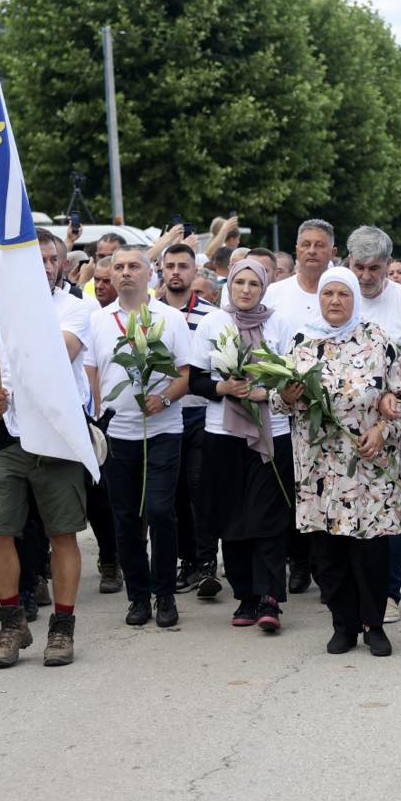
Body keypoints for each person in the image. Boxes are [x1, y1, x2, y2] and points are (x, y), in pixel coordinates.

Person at [0, 231, 96, 667]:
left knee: (62, 534)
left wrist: (9, 323)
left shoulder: (75, 308)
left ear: (61, 265)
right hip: (7, 438)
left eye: (50, 259)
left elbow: (59, 353)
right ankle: (12, 624)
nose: (43, 266)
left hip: (55, 437)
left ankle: (62, 628)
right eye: (33, 260)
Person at [270, 265, 401, 656]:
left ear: (354, 299)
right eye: (328, 294)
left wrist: (383, 431)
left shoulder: (377, 339)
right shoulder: (302, 343)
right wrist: (287, 396)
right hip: (320, 469)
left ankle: (374, 624)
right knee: (328, 553)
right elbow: (276, 401)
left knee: (369, 551)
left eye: (343, 295)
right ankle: (343, 624)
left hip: (368, 467)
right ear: (319, 298)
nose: (335, 301)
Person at [88, 246, 193, 630]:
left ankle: (165, 592)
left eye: (134, 266)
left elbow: (185, 373)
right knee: (126, 517)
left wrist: (163, 398)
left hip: (163, 429)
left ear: (151, 274)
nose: (126, 273)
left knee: (161, 510)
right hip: (118, 433)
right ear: (110, 276)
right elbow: (92, 372)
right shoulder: (98, 320)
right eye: (119, 267)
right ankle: (138, 596)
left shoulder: (169, 318)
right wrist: (98, 414)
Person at [188, 259, 295, 630]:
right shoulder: (212, 323)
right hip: (224, 433)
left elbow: (292, 377)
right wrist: (225, 388)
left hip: (272, 432)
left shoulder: (279, 322)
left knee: (268, 516)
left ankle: (269, 598)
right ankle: (246, 597)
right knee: (231, 517)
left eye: (253, 283)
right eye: (240, 283)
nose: (246, 289)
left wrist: (267, 391)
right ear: (229, 285)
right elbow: (196, 380)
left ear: (264, 288)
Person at [346, 226, 401, 623]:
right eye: (358, 266)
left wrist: (393, 398)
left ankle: (388, 591)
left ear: (389, 265)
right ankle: (349, 589)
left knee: (392, 503)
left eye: (374, 268)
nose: (365, 276)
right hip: (342, 422)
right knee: (347, 501)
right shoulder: (339, 295)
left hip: (393, 420)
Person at [266, 219, 337, 592]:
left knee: (328, 488)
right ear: (296, 250)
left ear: (332, 253)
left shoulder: (339, 290)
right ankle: (297, 560)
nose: (312, 251)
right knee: (295, 488)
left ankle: (324, 564)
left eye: (320, 245)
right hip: (288, 407)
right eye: (306, 244)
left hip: (335, 412)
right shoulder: (275, 294)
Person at [158, 242, 221, 599]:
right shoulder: (149, 314)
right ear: (162, 271)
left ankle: (207, 561)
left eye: (184, 265)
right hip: (165, 413)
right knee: (175, 491)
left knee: (200, 488)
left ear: (195, 271)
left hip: (200, 412)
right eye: (170, 266)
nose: (176, 272)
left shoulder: (211, 316)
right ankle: (186, 560)